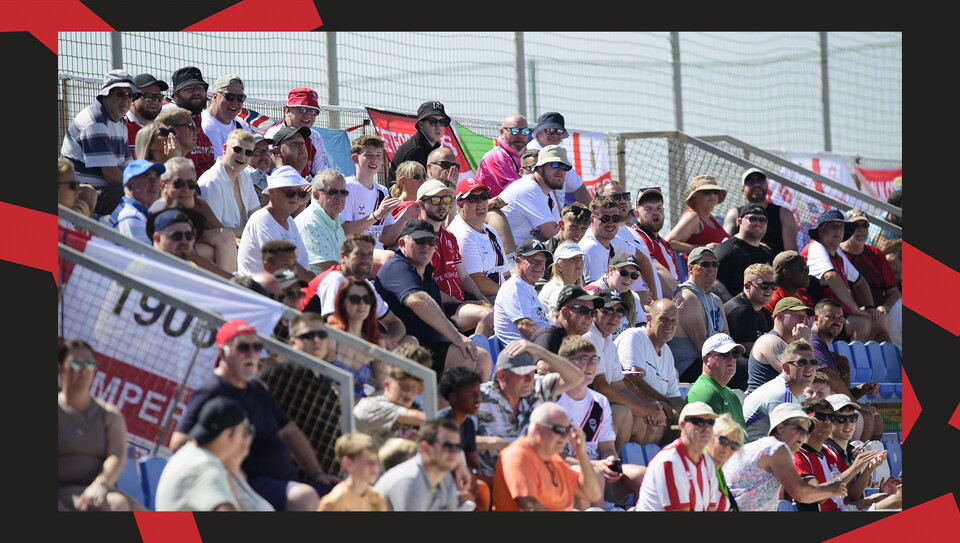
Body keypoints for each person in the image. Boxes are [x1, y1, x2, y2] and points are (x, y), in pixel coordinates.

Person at [171, 320, 339, 511]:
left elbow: (288, 430)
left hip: (283, 481)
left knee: (343, 495)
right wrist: (228, 470)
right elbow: (179, 443)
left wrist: (316, 473)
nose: (252, 353)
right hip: (245, 484)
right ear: (222, 352)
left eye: (257, 347)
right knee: (304, 497)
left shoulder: (256, 387)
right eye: (243, 347)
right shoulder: (212, 390)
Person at [374, 219, 491, 380]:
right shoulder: (396, 267)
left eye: (431, 241)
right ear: (402, 243)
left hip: (427, 347)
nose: (426, 246)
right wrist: (457, 338)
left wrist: (459, 340)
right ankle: (441, 402)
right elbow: (417, 300)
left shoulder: (428, 277)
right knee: (465, 356)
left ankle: (465, 403)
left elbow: (437, 323)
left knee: (481, 357)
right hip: (401, 347)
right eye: (419, 241)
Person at [554, 336, 646, 509]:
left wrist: (610, 461)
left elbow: (607, 449)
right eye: (583, 360)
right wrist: (596, 465)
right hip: (565, 474)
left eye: (594, 360)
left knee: (642, 475)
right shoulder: (554, 401)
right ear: (565, 364)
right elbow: (555, 457)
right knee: (594, 473)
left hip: (598, 471)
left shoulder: (599, 401)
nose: (590, 366)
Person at [475, 340, 586, 478]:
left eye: (531, 373)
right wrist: (495, 442)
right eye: (522, 374)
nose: (529, 379)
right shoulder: (478, 397)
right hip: (496, 477)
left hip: (536, 475)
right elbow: (454, 439)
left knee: (583, 475)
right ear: (502, 376)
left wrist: (539, 351)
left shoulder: (537, 387)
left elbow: (576, 378)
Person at [58, 339, 143, 511]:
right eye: (76, 364)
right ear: (61, 369)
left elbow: (117, 455)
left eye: (89, 364)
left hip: (100, 489)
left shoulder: (109, 414)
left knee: (170, 531)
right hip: (63, 493)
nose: (84, 371)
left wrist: (100, 484)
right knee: (117, 504)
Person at [155, 396, 273, 511]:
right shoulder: (205, 467)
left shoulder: (191, 452)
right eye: (247, 430)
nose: (248, 438)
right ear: (233, 434)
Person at [587, 289, 670, 450]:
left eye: (620, 312)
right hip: (582, 410)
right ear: (595, 311)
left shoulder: (608, 342)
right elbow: (601, 387)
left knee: (641, 419)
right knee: (623, 413)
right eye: (608, 310)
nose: (614, 316)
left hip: (599, 408)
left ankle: (628, 464)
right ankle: (613, 463)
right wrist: (643, 409)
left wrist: (649, 407)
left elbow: (620, 386)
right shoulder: (589, 337)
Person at [723, 403, 846, 511]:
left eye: (806, 432)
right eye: (799, 429)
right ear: (780, 428)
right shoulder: (776, 448)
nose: (803, 436)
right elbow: (801, 494)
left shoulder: (757, 446)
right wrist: (833, 489)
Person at [300, 233, 410, 348]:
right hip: (309, 344)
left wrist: (386, 341)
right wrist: (373, 346)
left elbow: (396, 324)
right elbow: (336, 326)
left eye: (369, 255)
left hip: (339, 345)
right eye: (359, 254)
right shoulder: (334, 279)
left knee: (410, 341)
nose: (366, 260)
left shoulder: (365, 285)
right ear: (343, 257)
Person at [416, 179, 495, 336]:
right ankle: (475, 356)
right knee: (487, 316)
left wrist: (482, 299)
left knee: (495, 312)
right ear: (421, 204)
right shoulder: (416, 238)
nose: (442, 205)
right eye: (435, 200)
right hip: (438, 307)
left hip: (458, 303)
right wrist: (462, 303)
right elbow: (424, 288)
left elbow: (464, 277)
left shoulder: (449, 236)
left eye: (446, 200)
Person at [491, 400, 602, 511]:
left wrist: (581, 453)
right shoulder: (517, 455)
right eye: (559, 430)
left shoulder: (554, 459)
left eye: (567, 431)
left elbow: (592, 494)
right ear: (538, 428)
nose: (564, 437)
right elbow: (530, 507)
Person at [792, 398, 900, 511]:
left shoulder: (829, 453)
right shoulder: (797, 456)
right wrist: (853, 469)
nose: (828, 421)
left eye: (831, 417)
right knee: (897, 500)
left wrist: (869, 470)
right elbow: (816, 495)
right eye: (821, 417)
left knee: (894, 497)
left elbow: (852, 492)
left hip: (844, 510)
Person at [801, 208, 888, 342]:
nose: (839, 231)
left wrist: (870, 307)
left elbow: (860, 282)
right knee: (862, 323)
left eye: (841, 227)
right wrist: (855, 309)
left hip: (834, 315)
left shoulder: (837, 252)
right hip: (813, 317)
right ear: (821, 230)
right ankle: (853, 361)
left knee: (880, 320)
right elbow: (831, 276)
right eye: (834, 227)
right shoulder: (816, 247)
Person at [61, 69, 139, 216]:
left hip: (102, 192)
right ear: (106, 94)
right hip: (81, 195)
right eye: (120, 93)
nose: (126, 99)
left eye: (130, 95)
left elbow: (128, 167)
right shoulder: (95, 122)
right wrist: (141, 188)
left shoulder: (119, 120)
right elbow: (111, 174)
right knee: (134, 194)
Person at [150, 157, 238, 273]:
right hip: (166, 267)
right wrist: (232, 281)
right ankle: (228, 288)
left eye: (191, 184)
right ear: (162, 186)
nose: (186, 190)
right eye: (179, 183)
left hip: (183, 257)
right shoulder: (163, 211)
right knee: (219, 249)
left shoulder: (180, 205)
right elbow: (188, 256)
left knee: (226, 236)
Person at [635, 401, 721, 511]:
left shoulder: (706, 460)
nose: (705, 428)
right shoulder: (670, 461)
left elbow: (711, 508)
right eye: (698, 422)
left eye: (710, 423)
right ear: (683, 425)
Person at [237, 165, 316, 282]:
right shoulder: (262, 219)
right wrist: (314, 283)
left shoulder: (290, 222)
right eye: (290, 192)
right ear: (272, 192)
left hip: (283, 287)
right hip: (259, 292)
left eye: (300, 193)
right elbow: (279, 264)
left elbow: (303, 263)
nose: (295, 198)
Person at [614, 298, 685, 421]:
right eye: (663, 319)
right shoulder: (634, 337)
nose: (669, 325)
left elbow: (674, 397)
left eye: (673, 321)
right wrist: (663, 403)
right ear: (648, 319)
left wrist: (688, 411)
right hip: (633, 410)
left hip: (653, 410)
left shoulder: (667, 351)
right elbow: (631, 382)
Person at [667, 246, 729, 383]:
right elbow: (702, 346)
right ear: (690, 268)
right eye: (705, 264)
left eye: (715, 264)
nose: (711, 268)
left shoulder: (716, 300)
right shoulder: (687, 297)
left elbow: (726, 337)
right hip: (689, 366)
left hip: (712, 361)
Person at [341, 134, 413, 251]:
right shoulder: (346, 186)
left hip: (377, 254)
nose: (374, 159)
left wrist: (405, 217)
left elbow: (387, 238)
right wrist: (377, 215)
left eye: (378, 155)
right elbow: (345, 230)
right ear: (355, 158)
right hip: (354, 253)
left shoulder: (382, 190)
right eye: (368, 155)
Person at [373, 418, 462, 511]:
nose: (454, 452)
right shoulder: (410, 481)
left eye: (458, 447)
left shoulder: (445, 476)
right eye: (447, 446)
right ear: (425, 448)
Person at [839, 208, 901, 336]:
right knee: (878, 324)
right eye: (856, 225)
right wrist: (855, 310)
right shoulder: (837, 254)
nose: (861, 229)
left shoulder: (876, 254)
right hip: (848, 315)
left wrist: (885, 307)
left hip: (877, 314)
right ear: (845, 228)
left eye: (865, 225)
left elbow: (894, 292)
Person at [437, 366, 491, 511]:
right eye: (471, 393)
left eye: (478, 393)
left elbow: (473, 464)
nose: (478, 398)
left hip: (462, 481)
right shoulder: (439, 424)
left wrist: (470, 474)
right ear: (454, 397)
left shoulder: (467, 423)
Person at [447, 177, 511, 300]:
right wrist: (509, 295)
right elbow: (477, 282)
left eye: (484, 196)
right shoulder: (462, 234)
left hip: (500, 294)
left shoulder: (490, 231)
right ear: (460, 204)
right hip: (483, 298)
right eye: (473, 199)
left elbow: (506, 273)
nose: (480, 202)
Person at [743, 339, 818, 441]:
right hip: (752, 453)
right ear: (786, 368)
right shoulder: (780, 394)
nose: (809, 367)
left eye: (813, 362)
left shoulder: (799, 394)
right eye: (802, 362)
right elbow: (786, 440)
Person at [326, 279, 390, 396]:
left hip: (364, 409)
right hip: (331, 406)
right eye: (355, 299)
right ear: (342, 302)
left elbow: (382, 388)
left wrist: (364, 404)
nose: (362, 304)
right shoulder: (331, 336)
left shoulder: (376, 341)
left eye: (367, 299)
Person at [498, 144, 567, 247]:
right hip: (508, 256)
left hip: (527, 254)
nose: (561, 171)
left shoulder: (548, 193)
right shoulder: (528, 188)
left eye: (565, 167)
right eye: (555, 165)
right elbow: (554, 235)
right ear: (539, 168)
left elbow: (559, 229)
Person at [197, 128, 260, 237]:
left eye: (248, 152)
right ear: (224, 148)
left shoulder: (245, 176)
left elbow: (256, 216)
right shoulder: (212, 181)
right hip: (224, 245)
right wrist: (251, 232)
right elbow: (214, 230)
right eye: (237, 149)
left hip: (245, 241)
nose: (242, 156)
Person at [723, 263, 776, 390]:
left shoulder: (765, 312)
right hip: (733, 368)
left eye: (773, 286)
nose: (769, 290)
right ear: (747, 286)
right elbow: (750, 350)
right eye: (763, 285)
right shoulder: (741, 310)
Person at [722, 167, 799, 254]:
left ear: (767, 186)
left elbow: (791, 250)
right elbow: (726, 243)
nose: (756, 184)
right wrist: (755, 244)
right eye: (750, 182)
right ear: (743, 190)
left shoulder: (784, 214)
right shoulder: (734, 213)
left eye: (761, 180)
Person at [746, 296, 814, 393]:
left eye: (804, 316)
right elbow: (797, 375)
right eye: (797, 315)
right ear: (780, 316)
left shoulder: (790, 344)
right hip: (765, 404)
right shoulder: (770, 341)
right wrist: (804, 341)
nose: (803, 319)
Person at [524, 111, 592, 206]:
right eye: (550, 130)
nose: (555, 135)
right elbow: (547, 188)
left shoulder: (558, 154)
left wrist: (593, 216)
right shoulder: (531, 154)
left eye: (559, 131)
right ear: (539, 132)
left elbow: (580, 190)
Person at [493, 238, 553, 344]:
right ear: (517, 261)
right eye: (533, 261)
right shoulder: (514, 286)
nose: (539, 266)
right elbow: (524, 325)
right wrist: (552, 344)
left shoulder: (526, 286)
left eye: (542, 261)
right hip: (524, 355)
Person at [713, 203, 775, 301]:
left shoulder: (767, 253)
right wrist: (734, 307)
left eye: (762, 220)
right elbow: (713, 283)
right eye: (752, 219)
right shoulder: (727, 251)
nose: (758, 223)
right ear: (740, 221)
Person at [263, 87, 330, 178]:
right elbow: (264, 172)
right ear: (288, 110)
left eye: (313, 111)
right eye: (302, 109)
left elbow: (322, 174)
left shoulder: (315, 137)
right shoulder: (272, 135)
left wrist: (313, 185)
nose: (308, 116)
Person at [685, 333, 747, 427]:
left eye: (735, 354)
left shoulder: (730, 394)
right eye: (724, 354)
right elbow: (711, 439)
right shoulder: (706, 392)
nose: (731, 359)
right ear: (706, 360)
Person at [294, 169, 348, 273]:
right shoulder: (309, 223)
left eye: (343, 193)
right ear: (316, 195)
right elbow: (330, 269)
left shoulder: (336, 222)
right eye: (333, 192)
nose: (339, 197)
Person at [316, 433, 387, 511]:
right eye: (368, 461)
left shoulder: (377, 498)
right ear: (347, 463)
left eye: (376, 460)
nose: (375, 466)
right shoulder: (335, 501)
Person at [166, 66, 216, 177]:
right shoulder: (167, 117)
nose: (197, 92)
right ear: (176, 94)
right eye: (190, 88)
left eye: (200, 88)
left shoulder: (198, 116)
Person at [630, 187, 681, 296]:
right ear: (637, 214)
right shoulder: (637, 236)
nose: (655, 212)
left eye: (659, 208)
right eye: (648, 209)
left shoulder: (662, 242)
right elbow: (657, 269)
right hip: (660, 301)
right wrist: (682, 294)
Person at [584, 252, 646, 339]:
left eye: (634, 275)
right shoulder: (594, 293)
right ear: (611, 270)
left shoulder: (634, 297)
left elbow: (642, 328)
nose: (628, 279)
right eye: (624, 273)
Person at [665, 174, 729, 257]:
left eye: (715, 192)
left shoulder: (710, 217)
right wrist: (704, 248)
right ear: (694, 197)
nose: (712, 195)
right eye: (706, 192)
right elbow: (669, 242)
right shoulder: (693, 216)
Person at [530, 284, 603, 355]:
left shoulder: (579, 342)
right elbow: (544, 366)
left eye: (593, 312)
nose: (590, 317)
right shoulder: (548, 335)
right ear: (565, 313)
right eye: (584, 311)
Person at [388, 101, 450, 182]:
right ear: (421, 124)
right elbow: (414, 187)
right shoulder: (415, 151)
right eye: (433, 121)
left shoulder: (429, 147)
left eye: (442, 122)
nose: (438, 126)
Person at [105, 159, 163, 244]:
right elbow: (143, 256)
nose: (154, 183)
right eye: (147, 176)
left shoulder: (134, 213)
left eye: (157, 176)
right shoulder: (131, 217)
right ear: (130, 185)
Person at [475, 113, 530, 197]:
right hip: (494, 208)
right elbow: (517, 191)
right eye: (514, 131)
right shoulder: (495, 156)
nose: (520, 135)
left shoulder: (527, 155)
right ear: (501, 132)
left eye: (525, 131)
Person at [538, 202, 590, 287]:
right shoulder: (544, 251)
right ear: (561, 225)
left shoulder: (578, 250)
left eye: (583, 229)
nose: (578, 234)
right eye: (573, 227)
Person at [200, 74, 252, 159]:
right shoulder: (206, 125)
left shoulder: (240, 124)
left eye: (240, 98)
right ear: (215, 97)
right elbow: (220, 166)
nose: (235, 102)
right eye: (229, 97)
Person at [703, 413, 747, 511]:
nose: (727, 448)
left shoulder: (716, 469)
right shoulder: (699, 465)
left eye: (734, 445)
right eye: (723, 440)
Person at [538, 241, 587, 318]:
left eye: (580, 257)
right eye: (572, 258)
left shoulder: (576, 288)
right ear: (558, 266)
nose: (579, 262)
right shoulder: (555, 289)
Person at [125, 73, 168, 156]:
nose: (155, 101)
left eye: (159, 97)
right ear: (133, 97)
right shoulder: (121, 126)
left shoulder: (163, 128)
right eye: (148, 96)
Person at [766, 249, 816, 315]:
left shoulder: (797, 296)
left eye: (807, 268)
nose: (807, 273)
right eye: (803, 269)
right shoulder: (773, 299)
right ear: (786, 273)